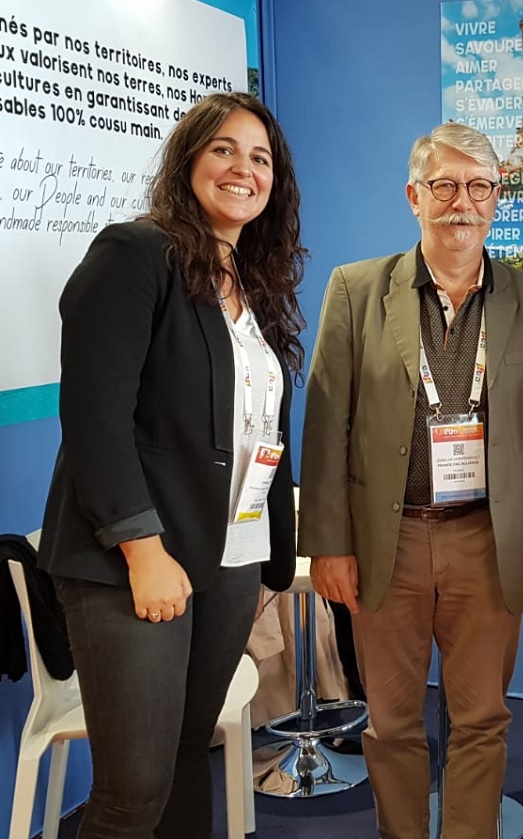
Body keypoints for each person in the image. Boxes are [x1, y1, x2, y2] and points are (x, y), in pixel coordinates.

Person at [38, 91, 305, 838]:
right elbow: (95, 418)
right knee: (133, 793)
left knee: (192, 753)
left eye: (260, 158)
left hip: (225, 561)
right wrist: (141, 547)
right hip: (132, 562)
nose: (242, 169)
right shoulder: (134, 254)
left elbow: (259, 435)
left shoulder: (253, 287)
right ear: (188, 158)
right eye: (223, 149)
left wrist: (265, 565)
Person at [299, 121, 523, 839]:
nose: (461, 203)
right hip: (388, 540)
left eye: (478, 187)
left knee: (482, 718)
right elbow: (326, 423)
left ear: (497, 198)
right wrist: (327, 544)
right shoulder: (355, 289)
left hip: (488, 537)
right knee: (391, 722)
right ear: (413, 196)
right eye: (444, 186)